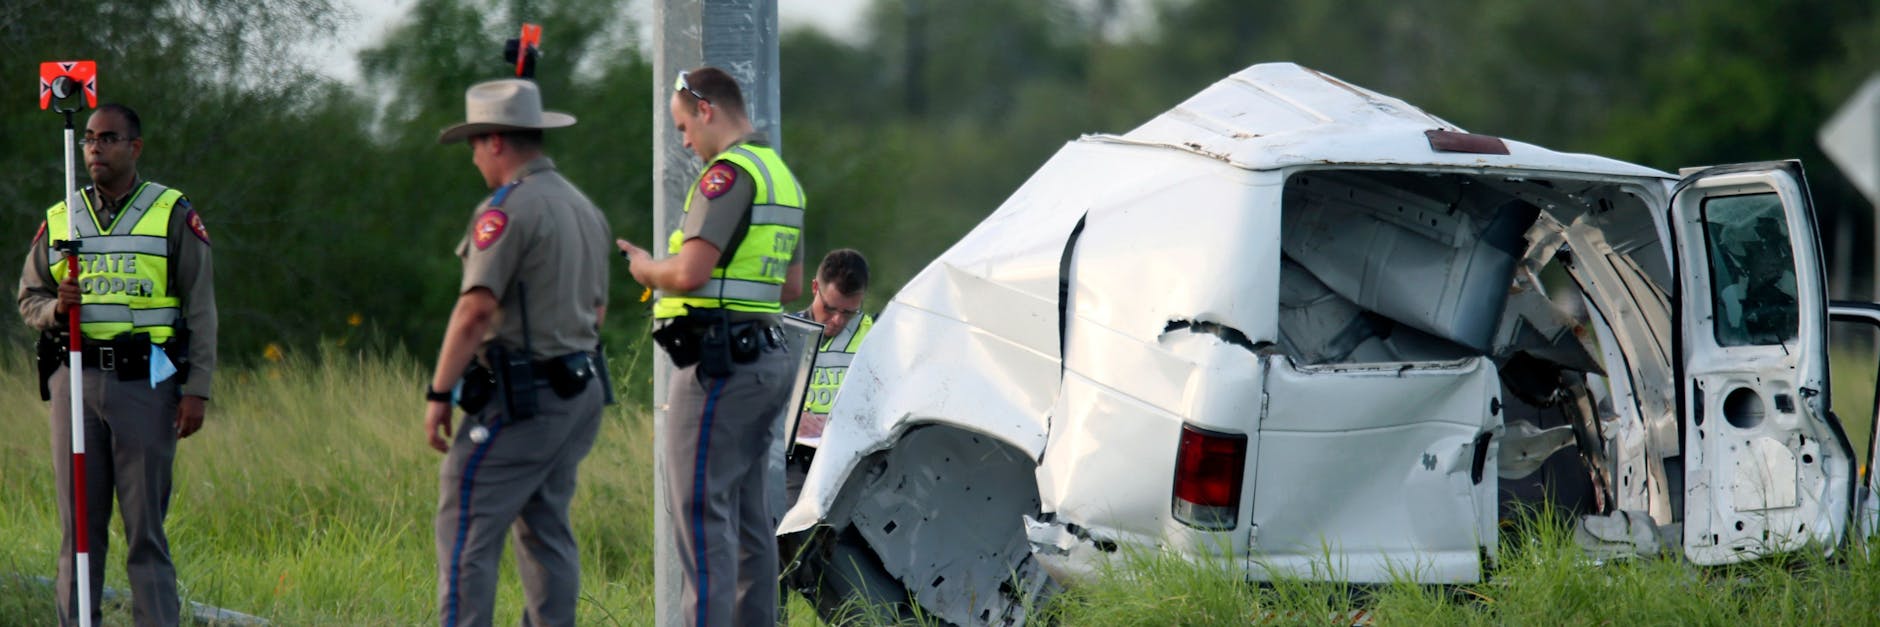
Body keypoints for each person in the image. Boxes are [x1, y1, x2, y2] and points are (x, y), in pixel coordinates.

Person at [617, 65, 805, 627]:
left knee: (700, 515)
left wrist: (647, 269)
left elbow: (694, 270)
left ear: (706, 109)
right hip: (767, 359)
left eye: (681, 126)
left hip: (721, 368)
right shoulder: (781, 177)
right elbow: (791, 287)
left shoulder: (727, 174)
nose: (683, 141)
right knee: (750, 521)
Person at [17, 102, 217, 627]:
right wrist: (57, 307)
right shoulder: (62, 215)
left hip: (144, 383)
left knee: (145, 528)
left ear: (135, 147)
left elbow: (200, 305)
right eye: (87, 138)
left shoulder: (171, 212)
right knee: (78, 531)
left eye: (107, 138)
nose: (94, 148)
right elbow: (28, 298)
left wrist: (197, 387)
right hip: (74, 382)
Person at [423, 78, 612, 627]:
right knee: (546, 529)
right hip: (580, 391)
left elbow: (475, 311)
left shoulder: (505, 210)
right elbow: (597, 311)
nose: (474, 157)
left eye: (474, 144)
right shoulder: (583, 207)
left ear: (497, 141)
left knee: (465, 528)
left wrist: (439, 392)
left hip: (523, 400)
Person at [791, 248, 873, 446]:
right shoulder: (785, 333)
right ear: (814, 287)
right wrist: (790, 418)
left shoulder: (876, 337)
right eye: (829, 308)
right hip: (790, 463)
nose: (837, 320)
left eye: (848, 312)